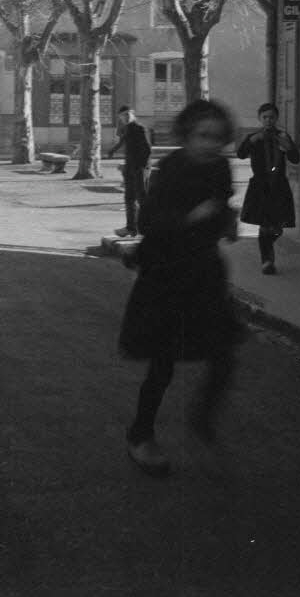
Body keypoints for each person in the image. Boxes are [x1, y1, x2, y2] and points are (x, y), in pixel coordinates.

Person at [118, 98, 242, 476]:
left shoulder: (221, 167)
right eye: (203, 136)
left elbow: (220, 204)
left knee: (223, 356)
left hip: (204, 275)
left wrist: (224, 219)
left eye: (217, 138)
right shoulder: (170, 169)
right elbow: (151, 223)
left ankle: (201, 422)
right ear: (187, 136)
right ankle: (141, 435)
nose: (210, 144)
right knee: (163, 364)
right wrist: (191, 217)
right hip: (167, 277)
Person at [236, 102, 300, 273]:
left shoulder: (283, 136)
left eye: (271, 117)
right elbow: (240, 154)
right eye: (265, 117)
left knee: (277, 226)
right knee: (264, 224)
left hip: (278, 185)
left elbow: (295, 159)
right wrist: (250, 141)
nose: (268, 120)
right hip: (260, 185)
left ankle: (268, 246)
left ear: (276, 118)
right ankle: (267, 261)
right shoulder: (254, 137)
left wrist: (288, 147)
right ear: (260, 119)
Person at [108, 105, 152, 238]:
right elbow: (122, 141)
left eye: (128, 115)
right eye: (123, 116)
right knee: (129, 198)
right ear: (120, 118)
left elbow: (147, 149)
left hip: (139, 168)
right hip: (129, 168)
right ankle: (131, 228)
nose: (126, 117)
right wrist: (113, 150)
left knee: (141, 198)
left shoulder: (140, 128)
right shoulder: (126, 129)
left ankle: (149, 228)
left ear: (133, 115)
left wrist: (141, 167)